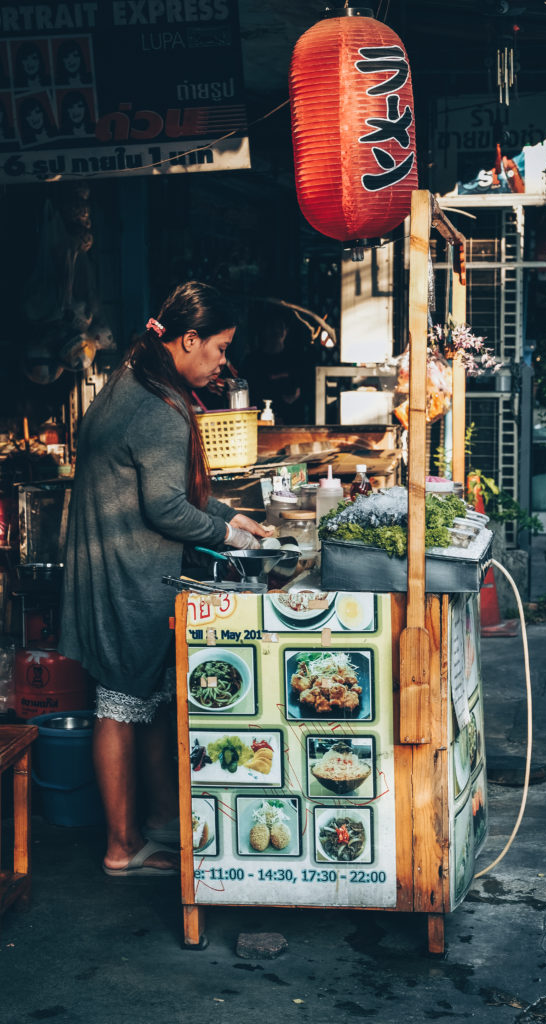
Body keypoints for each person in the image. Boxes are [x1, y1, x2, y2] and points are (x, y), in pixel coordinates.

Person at [59, 281, 272, 877]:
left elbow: (163, 488)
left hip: (111, 565)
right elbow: (167, 510)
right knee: (119, 703)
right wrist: (230, 538)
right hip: (129, 574)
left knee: (142, 701)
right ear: (188, 339)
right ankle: (121, 847)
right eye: (220, 348)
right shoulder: (159, 409)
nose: (223, 361)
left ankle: (156, 824)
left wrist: (233, 515)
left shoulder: (132, 380)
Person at [240, 310, 312, 423]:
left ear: (286, 331)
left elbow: (307, 387)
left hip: (293, 422)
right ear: (263, 331)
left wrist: (297, 394)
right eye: (271, 327)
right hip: (260, 422)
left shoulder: (297, 359)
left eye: (279, 327)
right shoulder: (252, 361)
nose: (275, 331)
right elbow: (248, 391)